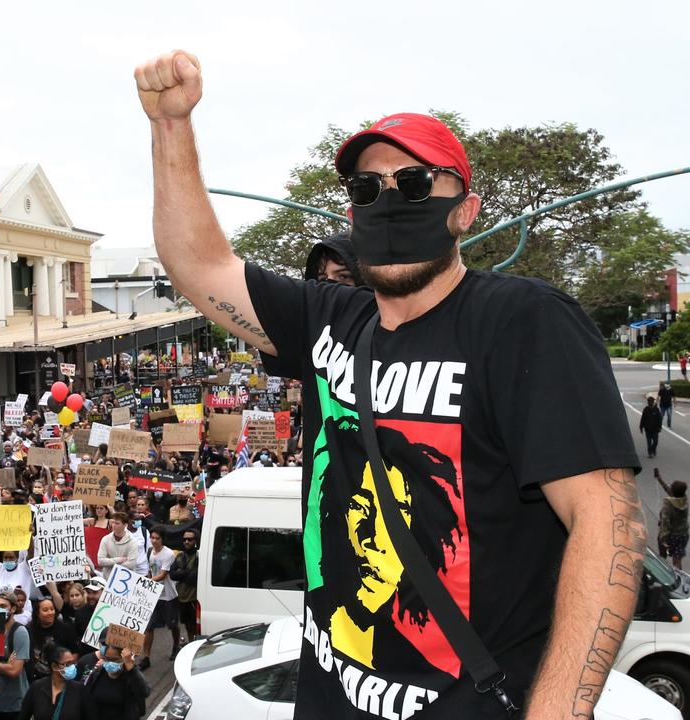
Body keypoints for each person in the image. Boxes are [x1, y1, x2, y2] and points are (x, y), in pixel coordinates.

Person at [135, 50, 643, 717]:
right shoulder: (329, 318)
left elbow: (608, 526)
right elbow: (200, 266)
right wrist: (171, 125)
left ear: (465, 209)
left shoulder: (525, 321)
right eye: (368, 190)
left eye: (414, 184)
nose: (389, 201)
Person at [0, 592, 31, 720]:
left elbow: (15, 671)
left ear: (13, 609)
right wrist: (6, 665)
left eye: (3, 606)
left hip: (15, 704)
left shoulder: (19, 632)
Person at [19, 645, 95, 720]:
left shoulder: (80, 690)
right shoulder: (37, 688)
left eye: (73, 663)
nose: (72, 667)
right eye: (67, 664)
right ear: (54, 666)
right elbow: (24, 715)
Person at [142, 529, 180, 668]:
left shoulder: (168, 554)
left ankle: (176, 646)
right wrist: (147, 580)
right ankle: (146, 657)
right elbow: (151, 570)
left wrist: (147, 582)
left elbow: (163, 574)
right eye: (152, 538)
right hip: (154, 595)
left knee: (172, 625)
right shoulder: (150, 552)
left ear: (162, 539)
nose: (154, 540)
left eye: (157, 538)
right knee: (149, 626)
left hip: (168, 595)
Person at [80, 645, 146, 720]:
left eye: (115, 660)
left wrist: (131, 669)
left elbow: (143, 692)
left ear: (123, 659)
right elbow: (85, 694)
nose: (110, 663)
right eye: (107, 659)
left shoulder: (131, 676)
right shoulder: (97, 673)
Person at [167, 531, 199, 647]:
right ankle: (191, 646)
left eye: (190, 539)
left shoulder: (199, 556)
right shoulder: (180, 556)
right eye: (185, 539)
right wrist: (186, 573)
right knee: (187, 626)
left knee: (195, 626)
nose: (186, 542)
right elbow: (172, 574)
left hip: (194, 598)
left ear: (195, 541)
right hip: (182, 598)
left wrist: (182, 573)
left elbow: (194, 577)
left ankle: (196, 647)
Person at [655, 469, 689, 570]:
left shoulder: (668, 504)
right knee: (677, 560)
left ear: (673, 491)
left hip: (671, 535)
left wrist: (663, 538)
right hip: (683, 535)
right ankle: (680, 578)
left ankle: (663, 576)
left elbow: (665, 522)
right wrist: (659, 478)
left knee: (663, 558)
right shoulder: (684, 499)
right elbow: (669, 489)